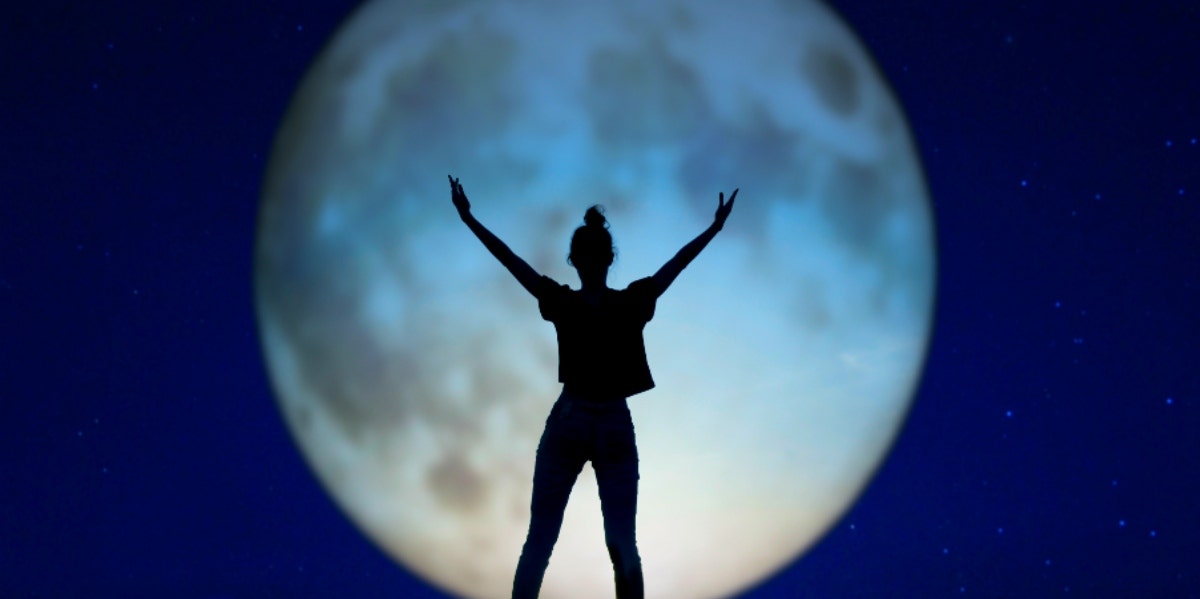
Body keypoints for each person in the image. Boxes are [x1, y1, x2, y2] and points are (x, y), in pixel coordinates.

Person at [448, 175, 737, 599]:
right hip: (614, 422)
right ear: (608, 258)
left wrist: (468, 219)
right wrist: (714, 229)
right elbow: (677, 264)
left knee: (539, 543)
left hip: (571, 417)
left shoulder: (564, 302)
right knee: (622, 543)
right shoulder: (629, 303)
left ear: (576, 260)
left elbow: (511, 261)